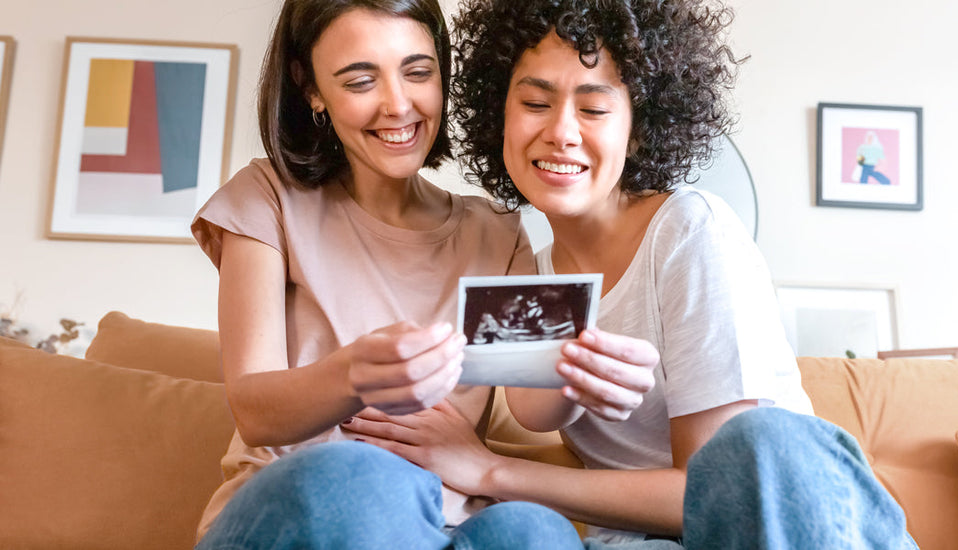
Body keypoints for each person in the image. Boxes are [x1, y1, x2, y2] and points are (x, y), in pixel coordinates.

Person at [346, 1, 920, 548]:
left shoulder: (691, 231)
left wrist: (494, 469)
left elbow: (715, 493)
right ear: (500, 111)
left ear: (638, 129)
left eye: (594, 109)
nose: (562, 132)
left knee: (752, 444)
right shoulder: (529, 270)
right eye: (535, 102)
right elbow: (529, 407)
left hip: (792, 522)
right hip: (646, 542)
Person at [190, 0, 658, 548]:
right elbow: (255, 411)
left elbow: (534, 407)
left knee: (530, 528)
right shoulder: (268, 198)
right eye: (360, 80)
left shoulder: (497, 230)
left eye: (418, 72)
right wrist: (350, 376)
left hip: (444, 524)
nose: (398, 105)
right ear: (310, 87)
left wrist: (582, 372)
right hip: (299, 509)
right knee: (361, 477)